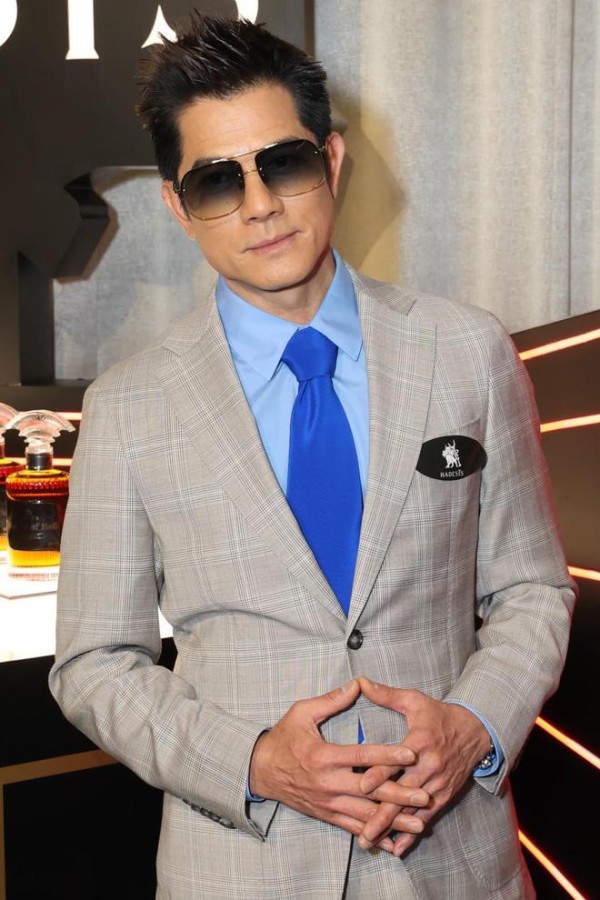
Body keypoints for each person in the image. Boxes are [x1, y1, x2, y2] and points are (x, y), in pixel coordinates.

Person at [49, 11, 576, 900]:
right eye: (217, 181)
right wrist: (254, 761)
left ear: (331, 161)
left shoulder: (467, 351)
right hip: (242, 869)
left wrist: (474, 727)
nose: (259, 205)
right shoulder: (130, 408)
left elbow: (531, 589)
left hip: (455, 863)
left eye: (283, 164)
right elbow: (95, 662)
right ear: (178, 207)